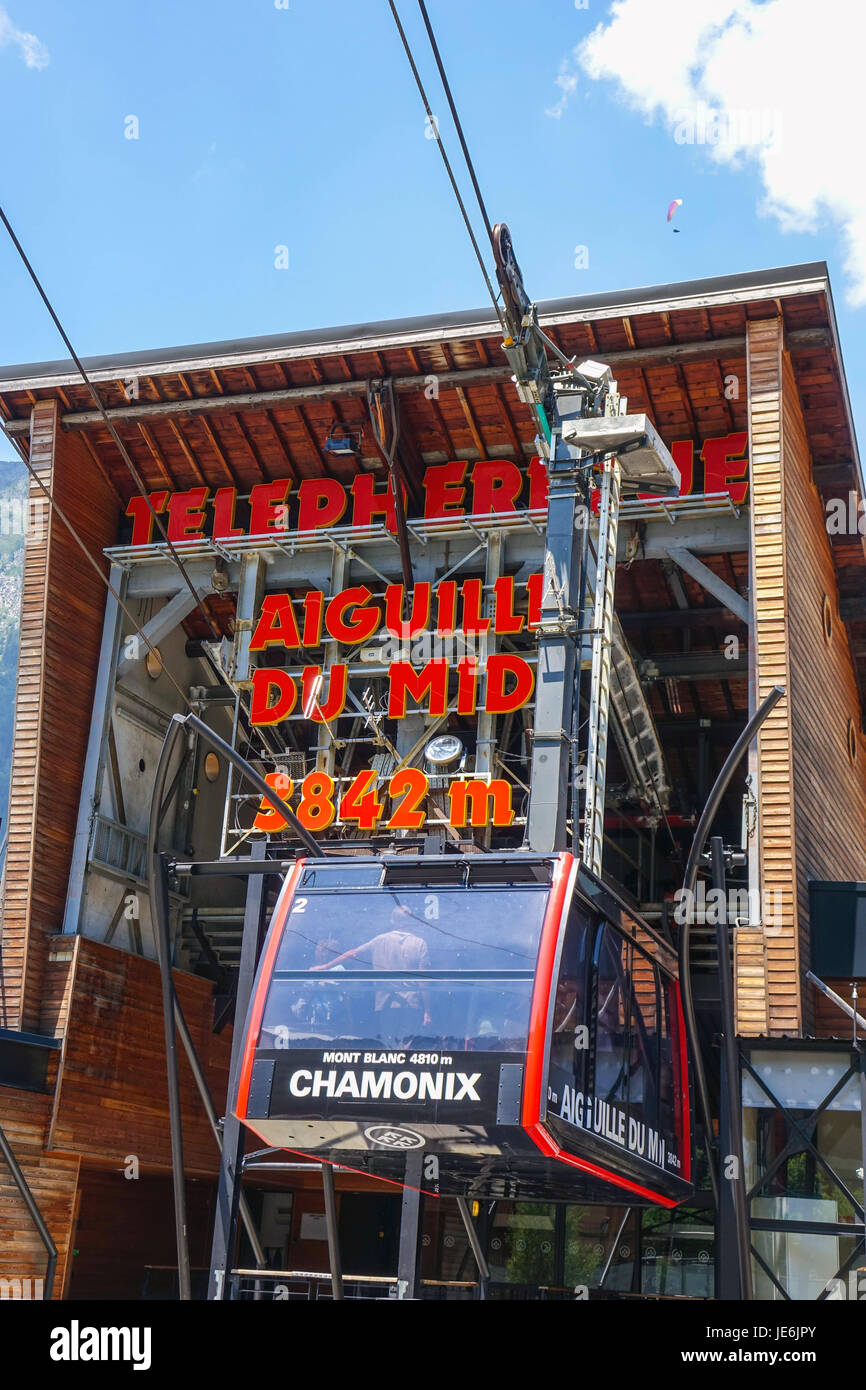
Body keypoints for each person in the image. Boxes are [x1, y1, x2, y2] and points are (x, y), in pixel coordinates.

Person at [310, 903, 433, 1032]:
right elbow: (423, 980)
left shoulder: (379, 940)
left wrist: (325, 966)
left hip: (385, 1004)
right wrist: (427, 1011)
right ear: (410, 921)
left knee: (390, 1044)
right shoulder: (420, 944)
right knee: (408, 1041)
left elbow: (353, 953)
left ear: (392, 920)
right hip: (411, 1004)